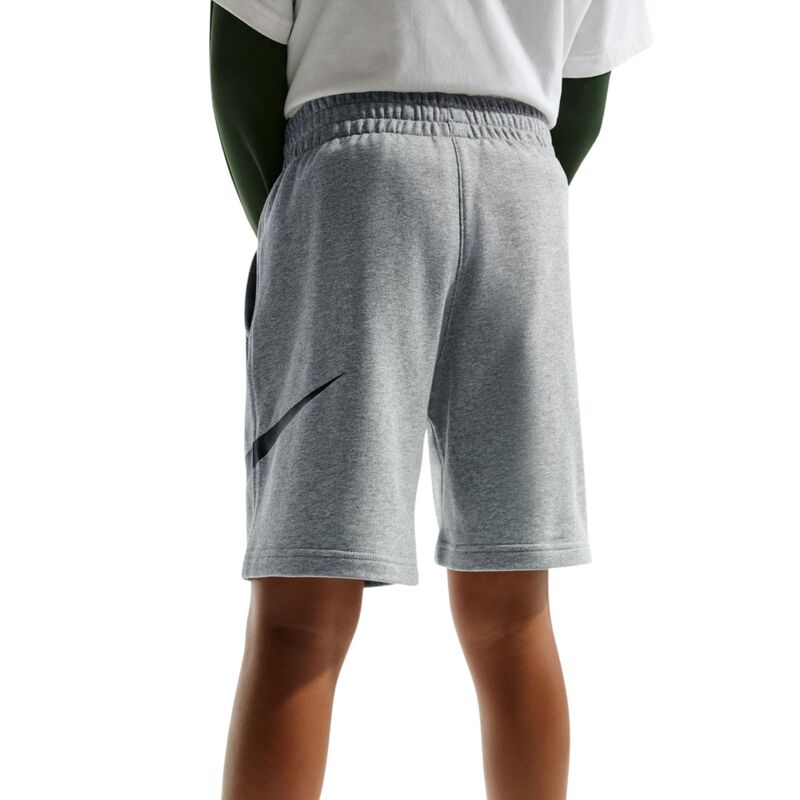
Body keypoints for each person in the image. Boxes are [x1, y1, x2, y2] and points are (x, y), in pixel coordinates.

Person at [209, 1, 653, 797]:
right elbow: (585, 89)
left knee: (300, 616)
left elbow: (240, 65)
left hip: (356, 169)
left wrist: (294, 230)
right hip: (523, 184)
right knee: (514, 609)